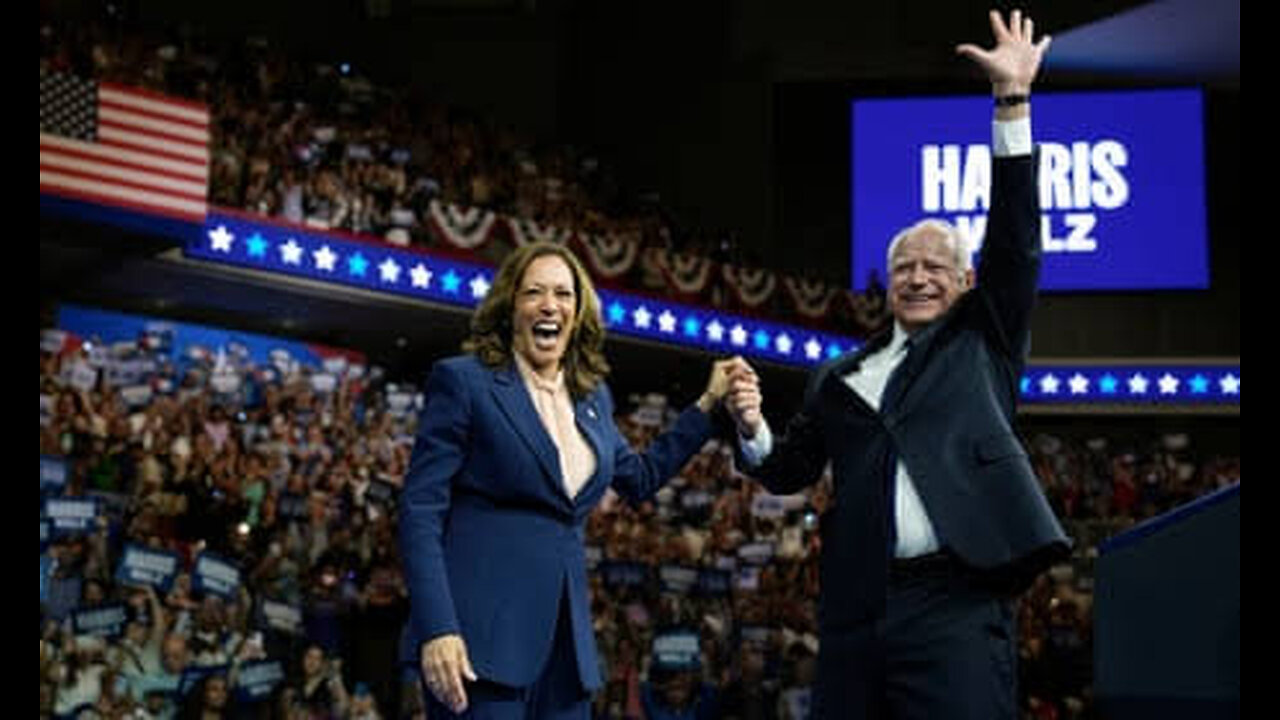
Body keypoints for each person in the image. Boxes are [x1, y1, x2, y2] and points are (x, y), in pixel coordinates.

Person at [724, 10, 1070, 719]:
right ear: (886, 284)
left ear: (966, 283)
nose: (917, 277)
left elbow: (1015, 241)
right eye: (903, 267)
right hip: (856, 611)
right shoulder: (839, 377)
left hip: (957, 603)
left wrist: (1012, 104)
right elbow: (787, 468)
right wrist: (753, 425)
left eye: (936, 266)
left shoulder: (985, 340)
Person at [398, 241, 741, 718]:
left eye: (563, 294)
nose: (549, 305)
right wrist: (438, 628)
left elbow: (638, 478)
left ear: (578, 313)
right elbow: (419, 512)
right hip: (478, 644)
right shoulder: (464, 382)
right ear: (509, 307)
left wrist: (707, 407)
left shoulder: (591, 397)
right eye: (533, 292)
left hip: (564, 655)